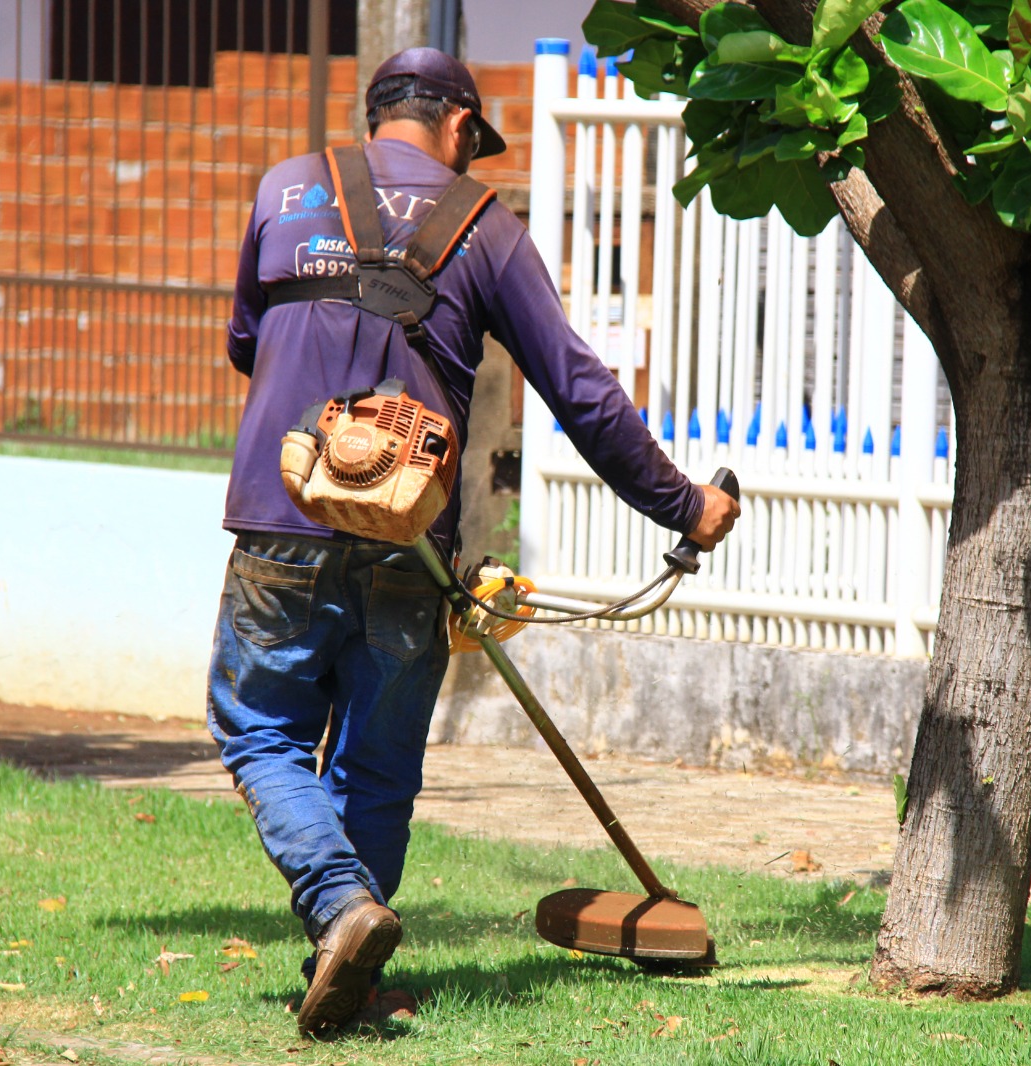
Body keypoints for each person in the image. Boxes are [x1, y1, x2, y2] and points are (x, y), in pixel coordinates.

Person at [206, 47, 739, 1035]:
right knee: (374, 768)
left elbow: (246, 342)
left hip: (286, 514)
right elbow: (578, 389)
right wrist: (682, 505)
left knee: (261, 730)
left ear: (376, 114)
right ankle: (347, 938)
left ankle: (341, 920)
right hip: (411, 539)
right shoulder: (486, 227)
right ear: (458, 125)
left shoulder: (283, 190)